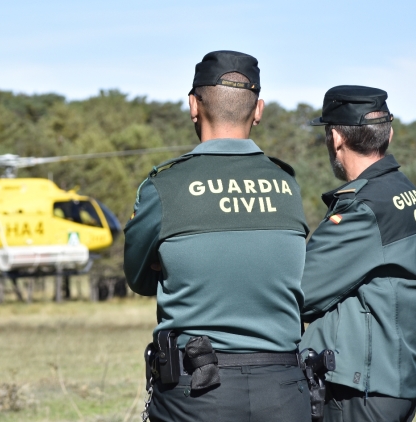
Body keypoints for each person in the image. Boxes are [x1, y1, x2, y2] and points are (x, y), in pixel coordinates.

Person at [124, 50, 312, 422]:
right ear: (258, 110)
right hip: (284, 391)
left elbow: (139, 278)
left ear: (193, 105)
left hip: (197, 392)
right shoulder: (286, 185)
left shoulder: (165, 187)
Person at [301, 85, 416, 422]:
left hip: (362, 389)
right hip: (394, 380)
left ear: (335, 137)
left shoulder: (364, 207)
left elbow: (301, 289)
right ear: (388, 133)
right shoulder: (405, 191)